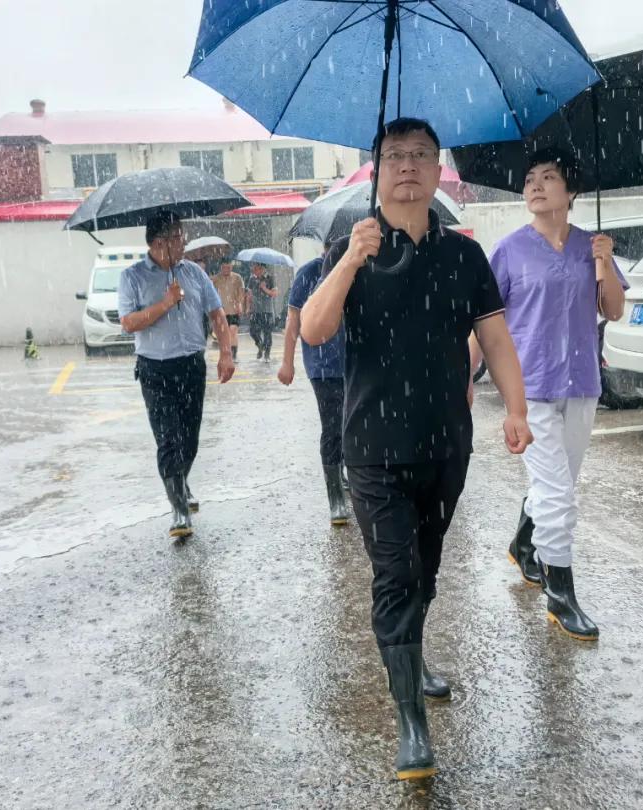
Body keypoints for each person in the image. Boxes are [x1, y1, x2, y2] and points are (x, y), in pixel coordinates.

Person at [300, 118, 533, 782]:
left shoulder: (463, 255)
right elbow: (315, 330)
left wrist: (516, 408)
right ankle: (411, 722)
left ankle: (413, 658)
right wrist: (351, 260)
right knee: (395, 575)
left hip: (445, 444)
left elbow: (495, 338)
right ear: (377, 171)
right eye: (395, 155)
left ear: (437, 172)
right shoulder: (352, 246)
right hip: (372, 447)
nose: (408, 165)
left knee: (425, 570)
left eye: (421, 156)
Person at [471, 147, 626, 642]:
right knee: (558, 494)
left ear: (571, 190)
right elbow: (485, 321)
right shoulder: (510, 250)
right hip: (530, 387)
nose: (535, 186)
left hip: (581, 384)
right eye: (530, 179)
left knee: (556, 485)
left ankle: (523, 545)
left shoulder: (590, 246)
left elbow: (613, 310)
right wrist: (463, 378)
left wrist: (604, 263)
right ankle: (561, 596)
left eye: (549, 177)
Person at [118, 212, 236, 539]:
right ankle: (179, 509)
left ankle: (180, 482)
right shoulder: (132, 277)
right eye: (179, 237)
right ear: (160, 242)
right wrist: (166, 303)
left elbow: (217, 313)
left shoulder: (194, 273)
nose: (184, 243)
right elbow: (128, 323)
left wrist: (226, 353)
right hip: (155, 369)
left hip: (191, 366)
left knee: (189, 438)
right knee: (168, 438)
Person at [278, 248, 351, 526]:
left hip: (355, 363)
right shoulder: (310, 273)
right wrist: (287, 362)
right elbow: (293, 318)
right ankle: (335, 497)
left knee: (352, 426)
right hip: (324, 366)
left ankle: (344, 472)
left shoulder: (360, 267)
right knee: (333, 427)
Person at [210, 259, 245, 362]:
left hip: (234, 310)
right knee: (224, 335)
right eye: (224, 267)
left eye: (228, 267)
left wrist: (240, 303)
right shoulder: (216, 279)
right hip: (221, 311)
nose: (226, 270)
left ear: (231, 267)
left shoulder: (237, 278)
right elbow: (210, 293)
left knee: (233, 331)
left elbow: (241, 292)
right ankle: (226, 354)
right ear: (221, 267)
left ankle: (234, 355)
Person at [245, 263, 278, 360]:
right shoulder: (252, 279)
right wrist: (248, 307)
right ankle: (260, 345)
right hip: (255, 310)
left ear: (263, 269)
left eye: (257, 269)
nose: (255, 270)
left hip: (267, 310)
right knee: (253, 331)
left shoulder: (270, 278)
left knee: (267, 333)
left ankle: (267, 354)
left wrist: (264, 288)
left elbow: (274, 294)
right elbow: (249, 295)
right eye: (254, 269)